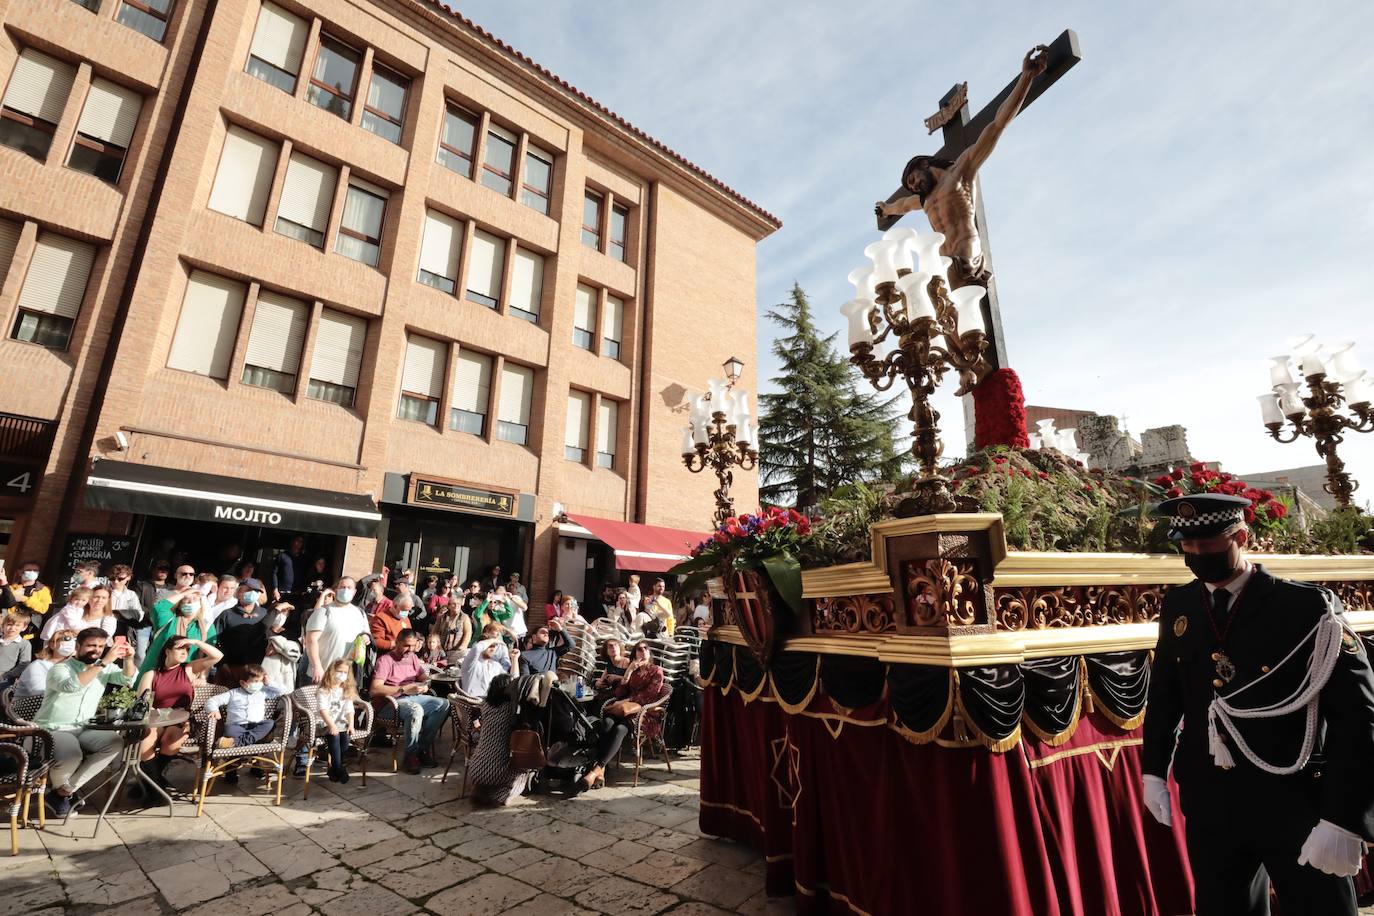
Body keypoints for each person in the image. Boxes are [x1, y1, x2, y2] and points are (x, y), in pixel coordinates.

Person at [1142, 493, 1374, 914]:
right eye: (1187, 546)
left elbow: (1358, 716)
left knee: (1319, 908)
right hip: (1212, 797)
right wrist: (1153, 770)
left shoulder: (1306, 607)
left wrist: (1344, 817)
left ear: (1241, 537)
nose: (1197, 554)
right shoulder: (1180, 605)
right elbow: (1165, 693)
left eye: (1209, 544)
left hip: (1295, 795)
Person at [875, 45, 1049, 289]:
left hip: (967, 254)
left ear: (925, 164)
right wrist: (886, 209)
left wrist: (1026, 77)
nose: (914, 186)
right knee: (936, 309)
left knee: (957, 305)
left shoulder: (960, 172)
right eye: (910, 185)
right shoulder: (923, 201)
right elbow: (901, 205)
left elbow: (997, 125)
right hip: (944, 266)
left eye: (913, 179)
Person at [34, 627, 137, 816]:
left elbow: (127, 678)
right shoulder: (60, 668)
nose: (96, 650)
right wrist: (104, 661)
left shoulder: (104, 667)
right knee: (72, 755)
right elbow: (72, 685)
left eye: (100, 646)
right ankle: (61, 796)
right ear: (78, 645)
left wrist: (129, 659)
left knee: (115, 743)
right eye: (91, 645)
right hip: (53, 728)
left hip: (85, 726)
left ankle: (63, 792)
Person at [574, 641, 665, 794]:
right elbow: (619, 693)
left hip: (644, 713)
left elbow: (650, 696)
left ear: (649, 653)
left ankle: (595, 770)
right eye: (638, 649)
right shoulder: (634, 671)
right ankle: (601, 770)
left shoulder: (656, 670)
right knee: (607, 723)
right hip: (625, 710)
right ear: (634, 654)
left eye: (645, 649)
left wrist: (628, 700)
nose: (642, 651)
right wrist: (628, 671)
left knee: (619, 730)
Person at [133, 635, 221, 793]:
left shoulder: (188, 669)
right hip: (156, 718)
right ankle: (157, 787)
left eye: (187, 649)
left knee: (171, 739)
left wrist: (195, 642)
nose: (184, 652)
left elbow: (217, 656)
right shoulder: (151, 675)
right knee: (145, 743)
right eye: (180, 648)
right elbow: (142, 704)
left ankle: (150, 786)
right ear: (167, 651)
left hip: (181, 719)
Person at [370, 629, 449, 774]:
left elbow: (423, 677)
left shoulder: (412, 657)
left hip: (413, 697)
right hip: (391, 703)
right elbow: (374, 689)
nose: (410, 649)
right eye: (407, 646)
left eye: (413, 646)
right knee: (415, 710)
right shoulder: (385, 660)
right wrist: (403, 689)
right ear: (398, 642)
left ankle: (422, 748)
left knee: (443, 704)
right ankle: (411, 754)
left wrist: (425, 685)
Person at [467, 674, 529, 805]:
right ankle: (501, 796)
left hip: (475, 767)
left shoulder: (486, 706)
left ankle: (480, 789)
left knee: (492, 769)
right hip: (496, 770)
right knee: (523, 773)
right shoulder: (510, 710)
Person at [139, 585, 214, 679]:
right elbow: (158, 608)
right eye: (186, 599)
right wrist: (182, 593)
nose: (191, 602)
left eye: (195, 599)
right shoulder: (168, 619)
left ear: (200, 603)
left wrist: (202, 678)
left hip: (183, 676)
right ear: (179, 603)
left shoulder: (207, 627)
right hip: (155, 672)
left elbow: (208, 655)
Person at [304, 578, 369, 683]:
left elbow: (365, 635)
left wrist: (365, 637)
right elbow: (311, 640)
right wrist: (317, 667)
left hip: (346, 677)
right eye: (342, 587)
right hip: (322, 674)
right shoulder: (324, 611)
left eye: (349, 587)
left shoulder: (360, 614)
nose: (346, 590)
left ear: (354, 592)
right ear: (336, 590)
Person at [206, 663, 282, 749]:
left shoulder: (262, 693)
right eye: (256, 681)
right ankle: (248, 742)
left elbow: (282, 691)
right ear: (242, 683)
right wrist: (214, 710)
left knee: (270, 723)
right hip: (236, 727)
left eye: (261, 681)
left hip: (255, 726)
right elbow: (212, 700)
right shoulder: (233, 693)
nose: (259, 684)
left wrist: (269, 683)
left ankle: (235, 743)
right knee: (229, 730)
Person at [215, 583, 271, 685]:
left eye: (256, 591)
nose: (252, 593)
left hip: (258, 672)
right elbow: (215, 640)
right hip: (232, 670)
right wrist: (221, 664)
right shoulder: (227, 614)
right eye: (248, 590)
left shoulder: (265, 614)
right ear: (238, 592)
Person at [316, 658, 360, 783]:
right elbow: (322, 710)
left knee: (345, 736)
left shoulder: (346, 689)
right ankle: (339, 768)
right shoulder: (323, 690)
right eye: (339, 671)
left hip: (340, 722)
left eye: (345, 672)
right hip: (324, 721)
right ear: (332, 671)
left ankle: (335, 768)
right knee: (334, 735)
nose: (342, 674)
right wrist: (331, 725)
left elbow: (349, 709)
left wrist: (351, 724)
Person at [14, 628, 78, 697]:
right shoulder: (38, 666)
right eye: (66, 639)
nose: (71, 643)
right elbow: (38, 692)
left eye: (75, 640)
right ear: (52, 644)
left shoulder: (74, 667)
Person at [459, 623, 516, 698]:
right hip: (472, 703)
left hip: (490, 703)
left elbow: (512, 679)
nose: (492, 649)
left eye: (494, 646)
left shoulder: (496, 666)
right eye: (490, 646)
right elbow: (477, 648)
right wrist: (493, 640)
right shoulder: (471, 663)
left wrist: (515, 659)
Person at [107, 564, 145, 657]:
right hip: (104, 627)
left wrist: (121, 614)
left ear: (128, 577)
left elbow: (139, 615)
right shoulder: (103, 591)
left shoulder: (131, 595)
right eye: (112, 578)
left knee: (120, 657)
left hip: (123, 629)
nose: (116, 581)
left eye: (120, 579)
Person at [0, 609, 33, 687]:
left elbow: (24, 664)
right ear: (3, 626)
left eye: (17, 625)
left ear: (24, 627)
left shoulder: (24, 644)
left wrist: (6, 675)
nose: (12, 628)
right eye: (9, 624)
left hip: (5, 679)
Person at [591, 638, 629, 703]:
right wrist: (598, 684)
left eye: (616, 645)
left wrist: (617, 677)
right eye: (610, 646)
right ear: (606, 651)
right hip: (613, 692)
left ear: (620, 648)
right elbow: (602, 680)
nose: (614, 648)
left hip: (624, 694)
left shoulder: (627, 662)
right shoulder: (609, 664)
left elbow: (633, 681)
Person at [272, 536, 305, 603]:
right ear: (292, 542)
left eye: (301, 542)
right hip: (281, 593)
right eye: (297, 540)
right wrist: (275, 589)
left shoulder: (303, 558)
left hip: (296, 594)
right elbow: (274, 573)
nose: (299, 543)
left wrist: (301, 589)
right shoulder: (282, 555)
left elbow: (305, 574)